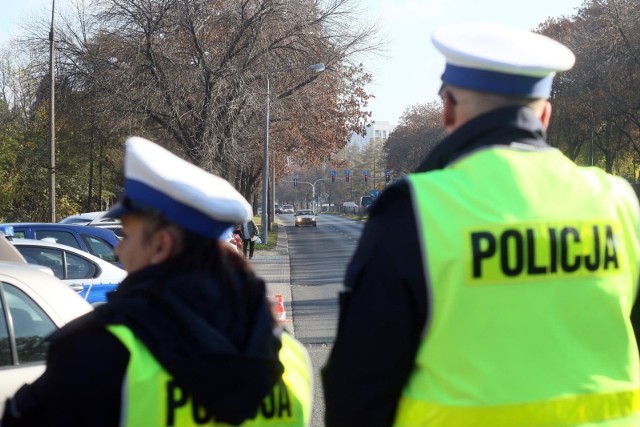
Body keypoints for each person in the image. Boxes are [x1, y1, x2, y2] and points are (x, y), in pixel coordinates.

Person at [322, 23, 640, 426]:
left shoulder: (415, 210)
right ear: (544, 113)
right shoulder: (617, 202)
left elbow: (359, 387)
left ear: (448, 108)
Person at [2, 136, 312, 427]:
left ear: (161, 245)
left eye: (127, 235)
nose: (119, 250)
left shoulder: (100, 353)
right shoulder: (292, 358)